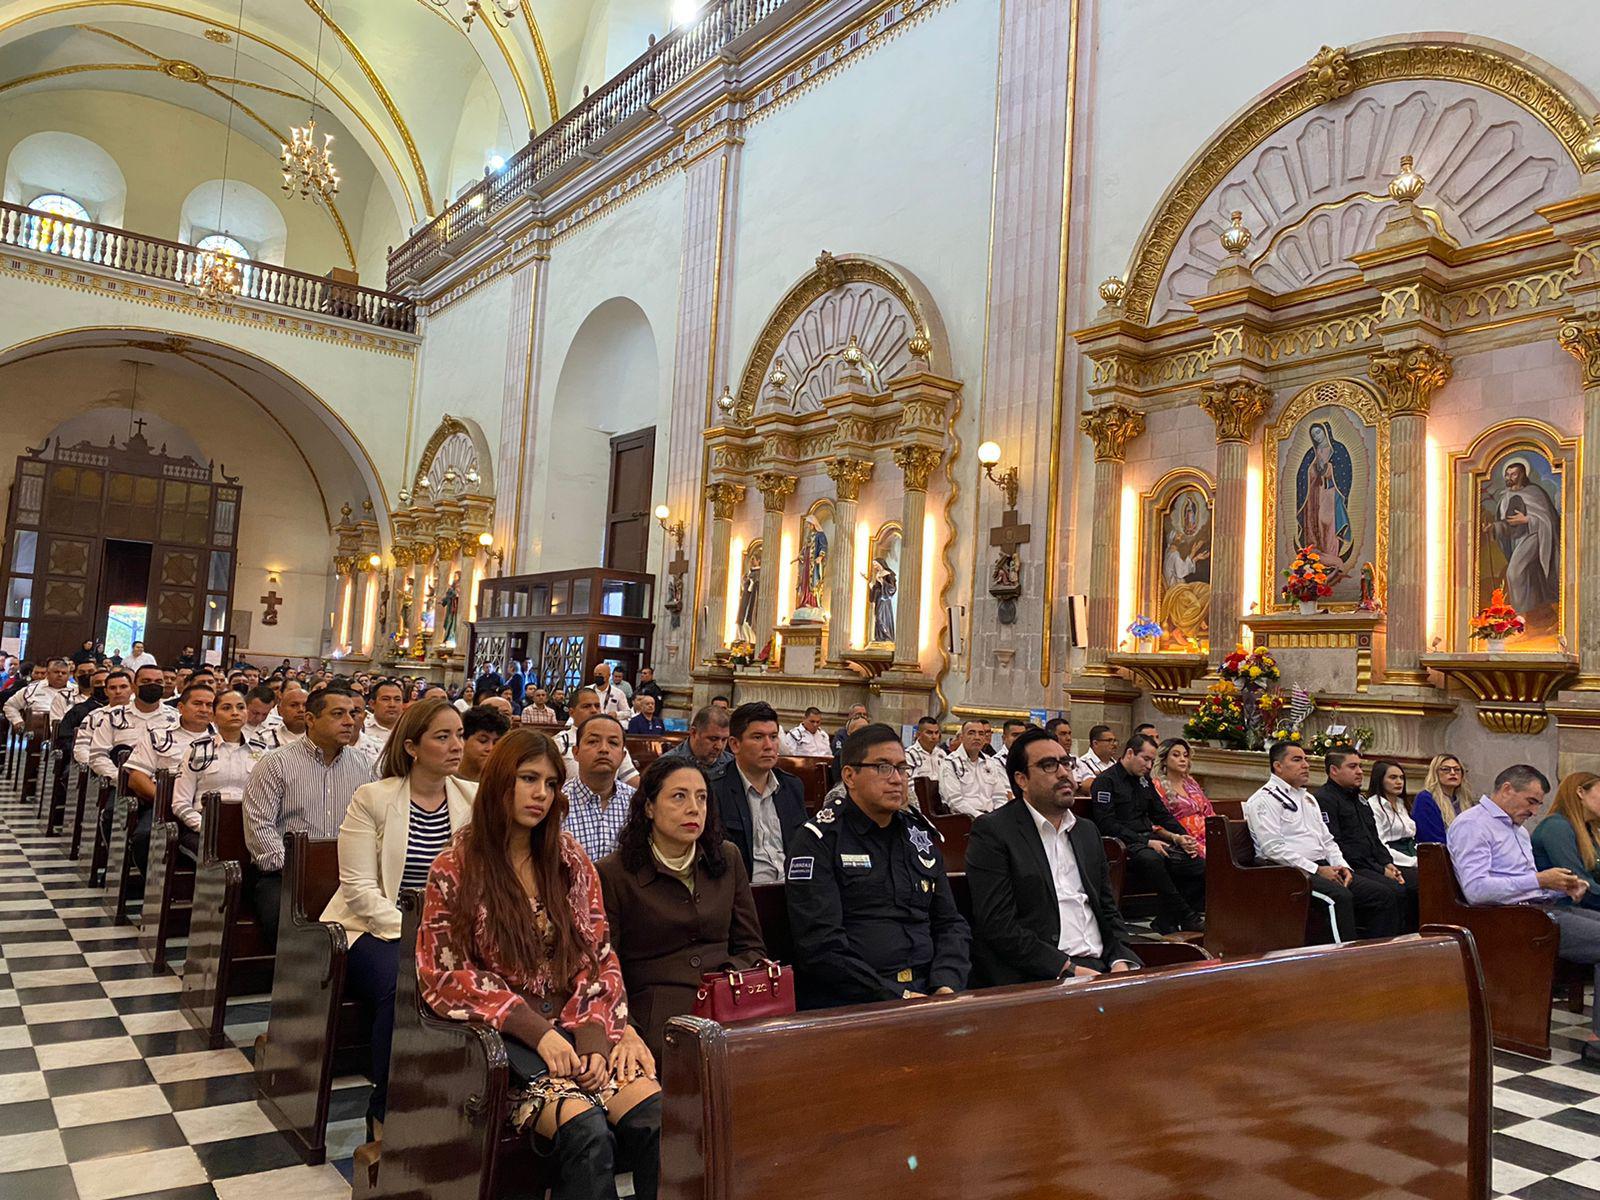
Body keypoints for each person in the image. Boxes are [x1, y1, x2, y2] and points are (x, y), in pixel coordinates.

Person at [417, 729, 661, 1199]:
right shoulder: (456, 865)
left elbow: (598, 955)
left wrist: (594, 1038)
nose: (541, 795)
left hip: (579, 1029)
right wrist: (537, 1030)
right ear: (499, 782)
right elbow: (446, 974)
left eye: (550, 783)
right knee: (588, 1134)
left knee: (656, 1119)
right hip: (508, 1049)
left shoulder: (569, 860)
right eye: (528, 779)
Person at [323, 697, 476, 1141]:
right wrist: (416, 936)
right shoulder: (374, 798)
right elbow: (359, 889)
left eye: (460, 736)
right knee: (403, 983)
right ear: (412, 746)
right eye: (442, 736)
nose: (456, 746)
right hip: (373, 930)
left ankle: (458, 1103)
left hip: (449, 932)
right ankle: (385, 1112)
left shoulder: (472, 798)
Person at [785, 722, 971, 1007]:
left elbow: (950, 923)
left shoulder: (917, 836)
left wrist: (946, 984)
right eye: (883, 767)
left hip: (929, 992)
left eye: (902, 768)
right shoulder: (819, 840)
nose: (897, 779)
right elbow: (821, 947)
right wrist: (898, 998)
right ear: (850, 775)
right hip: (857, 1002)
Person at [597, 757, 766, 1059]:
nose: (694, 808)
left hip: (729, 1001)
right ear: (649, 807)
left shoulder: (727, 858)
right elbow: (606, 969)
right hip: (658, 1018)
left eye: (701, 797)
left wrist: (726, 978)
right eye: (679, 797)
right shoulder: (614, 873)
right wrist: (626, 1030)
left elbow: (752, 946)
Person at [1449, 764, 1600, 1060]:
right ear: (1507, 789)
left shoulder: (1516, 830)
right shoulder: (1473, 825)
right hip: (1505, 920)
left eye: (1538, 804)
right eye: (1531, 801)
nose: (1534, 810)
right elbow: (1477, 890)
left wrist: (1561, 888)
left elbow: (1527, 885)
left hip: (1534, 910)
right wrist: (1540, 880)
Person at [967, 728, 1141, 984]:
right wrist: (1068, 969)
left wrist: (1120, 960)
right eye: (1048, 765)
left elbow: (1107, 908)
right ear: (1021, 780)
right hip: (1042, 972)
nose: (1063, 773)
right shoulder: (994, 832)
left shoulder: (1086, 831)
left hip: (1101, 967)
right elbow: (999, 925)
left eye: (1065, 763)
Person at [242, 688, 371, 949]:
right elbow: (260, 826)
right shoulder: (276, 763)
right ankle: (295, 986)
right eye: (338, 714)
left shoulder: (363, 764)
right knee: (285, 920)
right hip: (285, 876)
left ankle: (342, 985)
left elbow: (374, 823)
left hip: (346, 874)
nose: (349, 721)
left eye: (353, 713)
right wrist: (299, 870)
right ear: (310, 719)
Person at [1245, 742, 1399, 942]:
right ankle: (1343, 961)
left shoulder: (1308, 799)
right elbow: (1273, 849)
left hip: (1325, 867)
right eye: (1297, 760)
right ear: (1278, 766)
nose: (1306, 765)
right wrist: (1317, 870)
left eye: (1306, 759)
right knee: (1339, 898)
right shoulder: (1264, 800)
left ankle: (1379, 956)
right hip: (1290, 874)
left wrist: (1343, 867)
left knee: (1382, 894)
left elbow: (1327, 840)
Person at [1091, 734, 1206, 934]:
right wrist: (1146, 841)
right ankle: (1187, 916)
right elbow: (1107, 824)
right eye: (1146, 759)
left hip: (1149, 839)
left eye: (1152, 760)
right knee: (1153, 860)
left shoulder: (1144, 781)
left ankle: (1166, 918)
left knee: (1198, 864)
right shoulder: (1106, 781)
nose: (1149, 765)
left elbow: (1161, 813)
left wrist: (1183, 837)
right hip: (1123, 843)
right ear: (1129, 753)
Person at [1313, 749, 1415, 934]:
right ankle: (1380, 950)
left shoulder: (1359, 798)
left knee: (1416, 883)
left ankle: (1413, 941)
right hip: (1352, 866)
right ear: (1334, 770)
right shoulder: (1325, 799)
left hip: (1373, 863)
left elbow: (1374, 837)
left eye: (1360, 766)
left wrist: (1387, 863)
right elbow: (1337, 844)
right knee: (1389, 893)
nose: (1360, 771)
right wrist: (1380, 870)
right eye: (1353, 766)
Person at [123, 682, 216, 876]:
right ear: (181, 707)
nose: (204, 710)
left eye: (209, 705)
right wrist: (168, 801)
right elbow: (137, 778)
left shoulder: (222, 739)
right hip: (164, 805)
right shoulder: (158, 735)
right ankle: (151, 888)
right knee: (144, 837)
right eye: (198, 704)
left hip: (207, 808)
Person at [709, 702, 807, 884]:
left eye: (774, 736)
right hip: (744, 894)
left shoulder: (791, 787)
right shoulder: (715, 789)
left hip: (792, 891)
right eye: (758, 737)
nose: (769, 746)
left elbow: (803, 848)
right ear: (735, 744)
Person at [170, 688, 271, 851]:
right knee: (223, 851)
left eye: (240, 707)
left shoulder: (261, 752)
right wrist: (205, 827)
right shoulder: (198, 750)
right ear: (213, 716)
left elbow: (269, 799)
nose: (235, 713)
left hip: (247, 827)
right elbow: (180, 803)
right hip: (205, 828)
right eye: (226, 708)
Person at [562, 714, 637, 863]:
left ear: (622, 756)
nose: (604, 749)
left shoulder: (636, 803)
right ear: (576, 752)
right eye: (593, 741)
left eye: (613, 743)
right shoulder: (559, 803)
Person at [89, 664, 178, 783]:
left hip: (165, 785)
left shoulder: (177, 718)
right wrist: (124, 779)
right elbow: (97, 756)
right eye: (146, 681)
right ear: (134, 687)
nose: (152, 685)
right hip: (120, 785)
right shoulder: (113, 717)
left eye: (158, 682)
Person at [1532, 772, 1600, 912]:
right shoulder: (1556, 827)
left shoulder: (1589, 830)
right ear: (1580, 792)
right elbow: (1576, 880)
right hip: (1558, 908)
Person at [555, 689, 639, 786]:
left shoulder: (613, 742)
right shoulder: (561, 741)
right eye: (586, 706)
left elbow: (632, 779)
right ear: (571, 712)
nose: (594, 710)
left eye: (597, 706)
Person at [1151, 737, 1214, 856]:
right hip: (1182, 838)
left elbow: (1209, 811)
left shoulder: (1191, 782)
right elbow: (1156, 823)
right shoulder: (1157, 786)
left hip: (1208, 835)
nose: (1182, 759)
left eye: (1185, 756)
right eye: (1176, 755)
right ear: (1164, 760)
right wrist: (1177, 838)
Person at [935, 720, 1011, 817]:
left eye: (981, 734)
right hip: (964, 820)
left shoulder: (990, 763)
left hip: (991, 818)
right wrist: (980, 817)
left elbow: (1000, 796)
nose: (977, 737)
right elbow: (955, 802)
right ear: (962, 737)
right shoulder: (950, 763)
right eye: (971, 733)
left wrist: (997, 816)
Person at [1366, 759, 1418, 868]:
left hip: (1413, 854)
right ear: (1380, 780)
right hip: (1394, 859)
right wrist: (1413, 862)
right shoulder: (1374, 805)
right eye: (1393, 778)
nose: (1399, 782)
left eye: (1401, 777)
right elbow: (1380, 845)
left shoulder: (1402, 803)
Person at [658, 705, 733, 779]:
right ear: (694, 733)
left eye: (724, 740)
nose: (719, 746)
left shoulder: (732, 764)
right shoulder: (667, 766)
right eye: (713, 739)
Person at [4, 657, 76, 733]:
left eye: (63, 673)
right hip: (35, 733)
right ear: (48, 673)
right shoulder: (32, 688)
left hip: (67, 734)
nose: (60, 675)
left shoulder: (76, 691)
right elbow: (10, 705)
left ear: (69, 675)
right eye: (56, 672)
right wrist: (17, 721)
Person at [1412, 753, 1469, 845]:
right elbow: (1431, 838)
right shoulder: (1425, 799)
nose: (1453, 773)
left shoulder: (1464, 801)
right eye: (1446, 769)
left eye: (1457, 769)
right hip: (1441, 854)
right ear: (1435, 773)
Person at [459, 703, 512, 783]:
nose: (490, 748)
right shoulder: (444, 779)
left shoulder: (503, 781)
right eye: (483, 741)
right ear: (463, 739)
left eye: (496, 742)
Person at [1073, 723, 1120, 793]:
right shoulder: (1083, 764)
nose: (1114, 744)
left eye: (1114, 741)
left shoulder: (1116, 764)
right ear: (1095, 743)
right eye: (1109, 741)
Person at [365, 680, 405, 749]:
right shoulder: (361, 729)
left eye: (397, 699)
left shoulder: (411, 729)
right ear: (372, 704)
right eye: (385, 699)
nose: (392, 705)